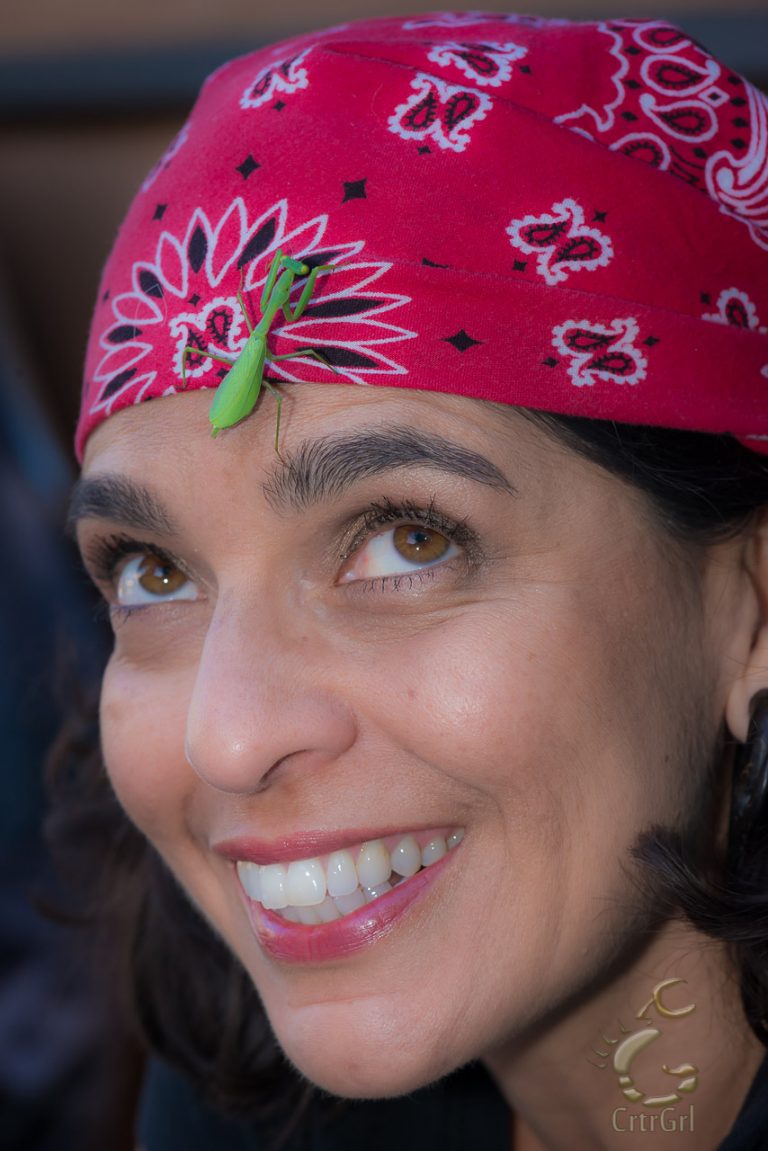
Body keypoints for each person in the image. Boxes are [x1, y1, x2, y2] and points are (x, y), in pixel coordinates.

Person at [62, 12, 768, 1150]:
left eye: (407, 541)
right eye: (154, 572)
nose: (227, 739)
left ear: (753, 601)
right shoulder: (253, 1112)